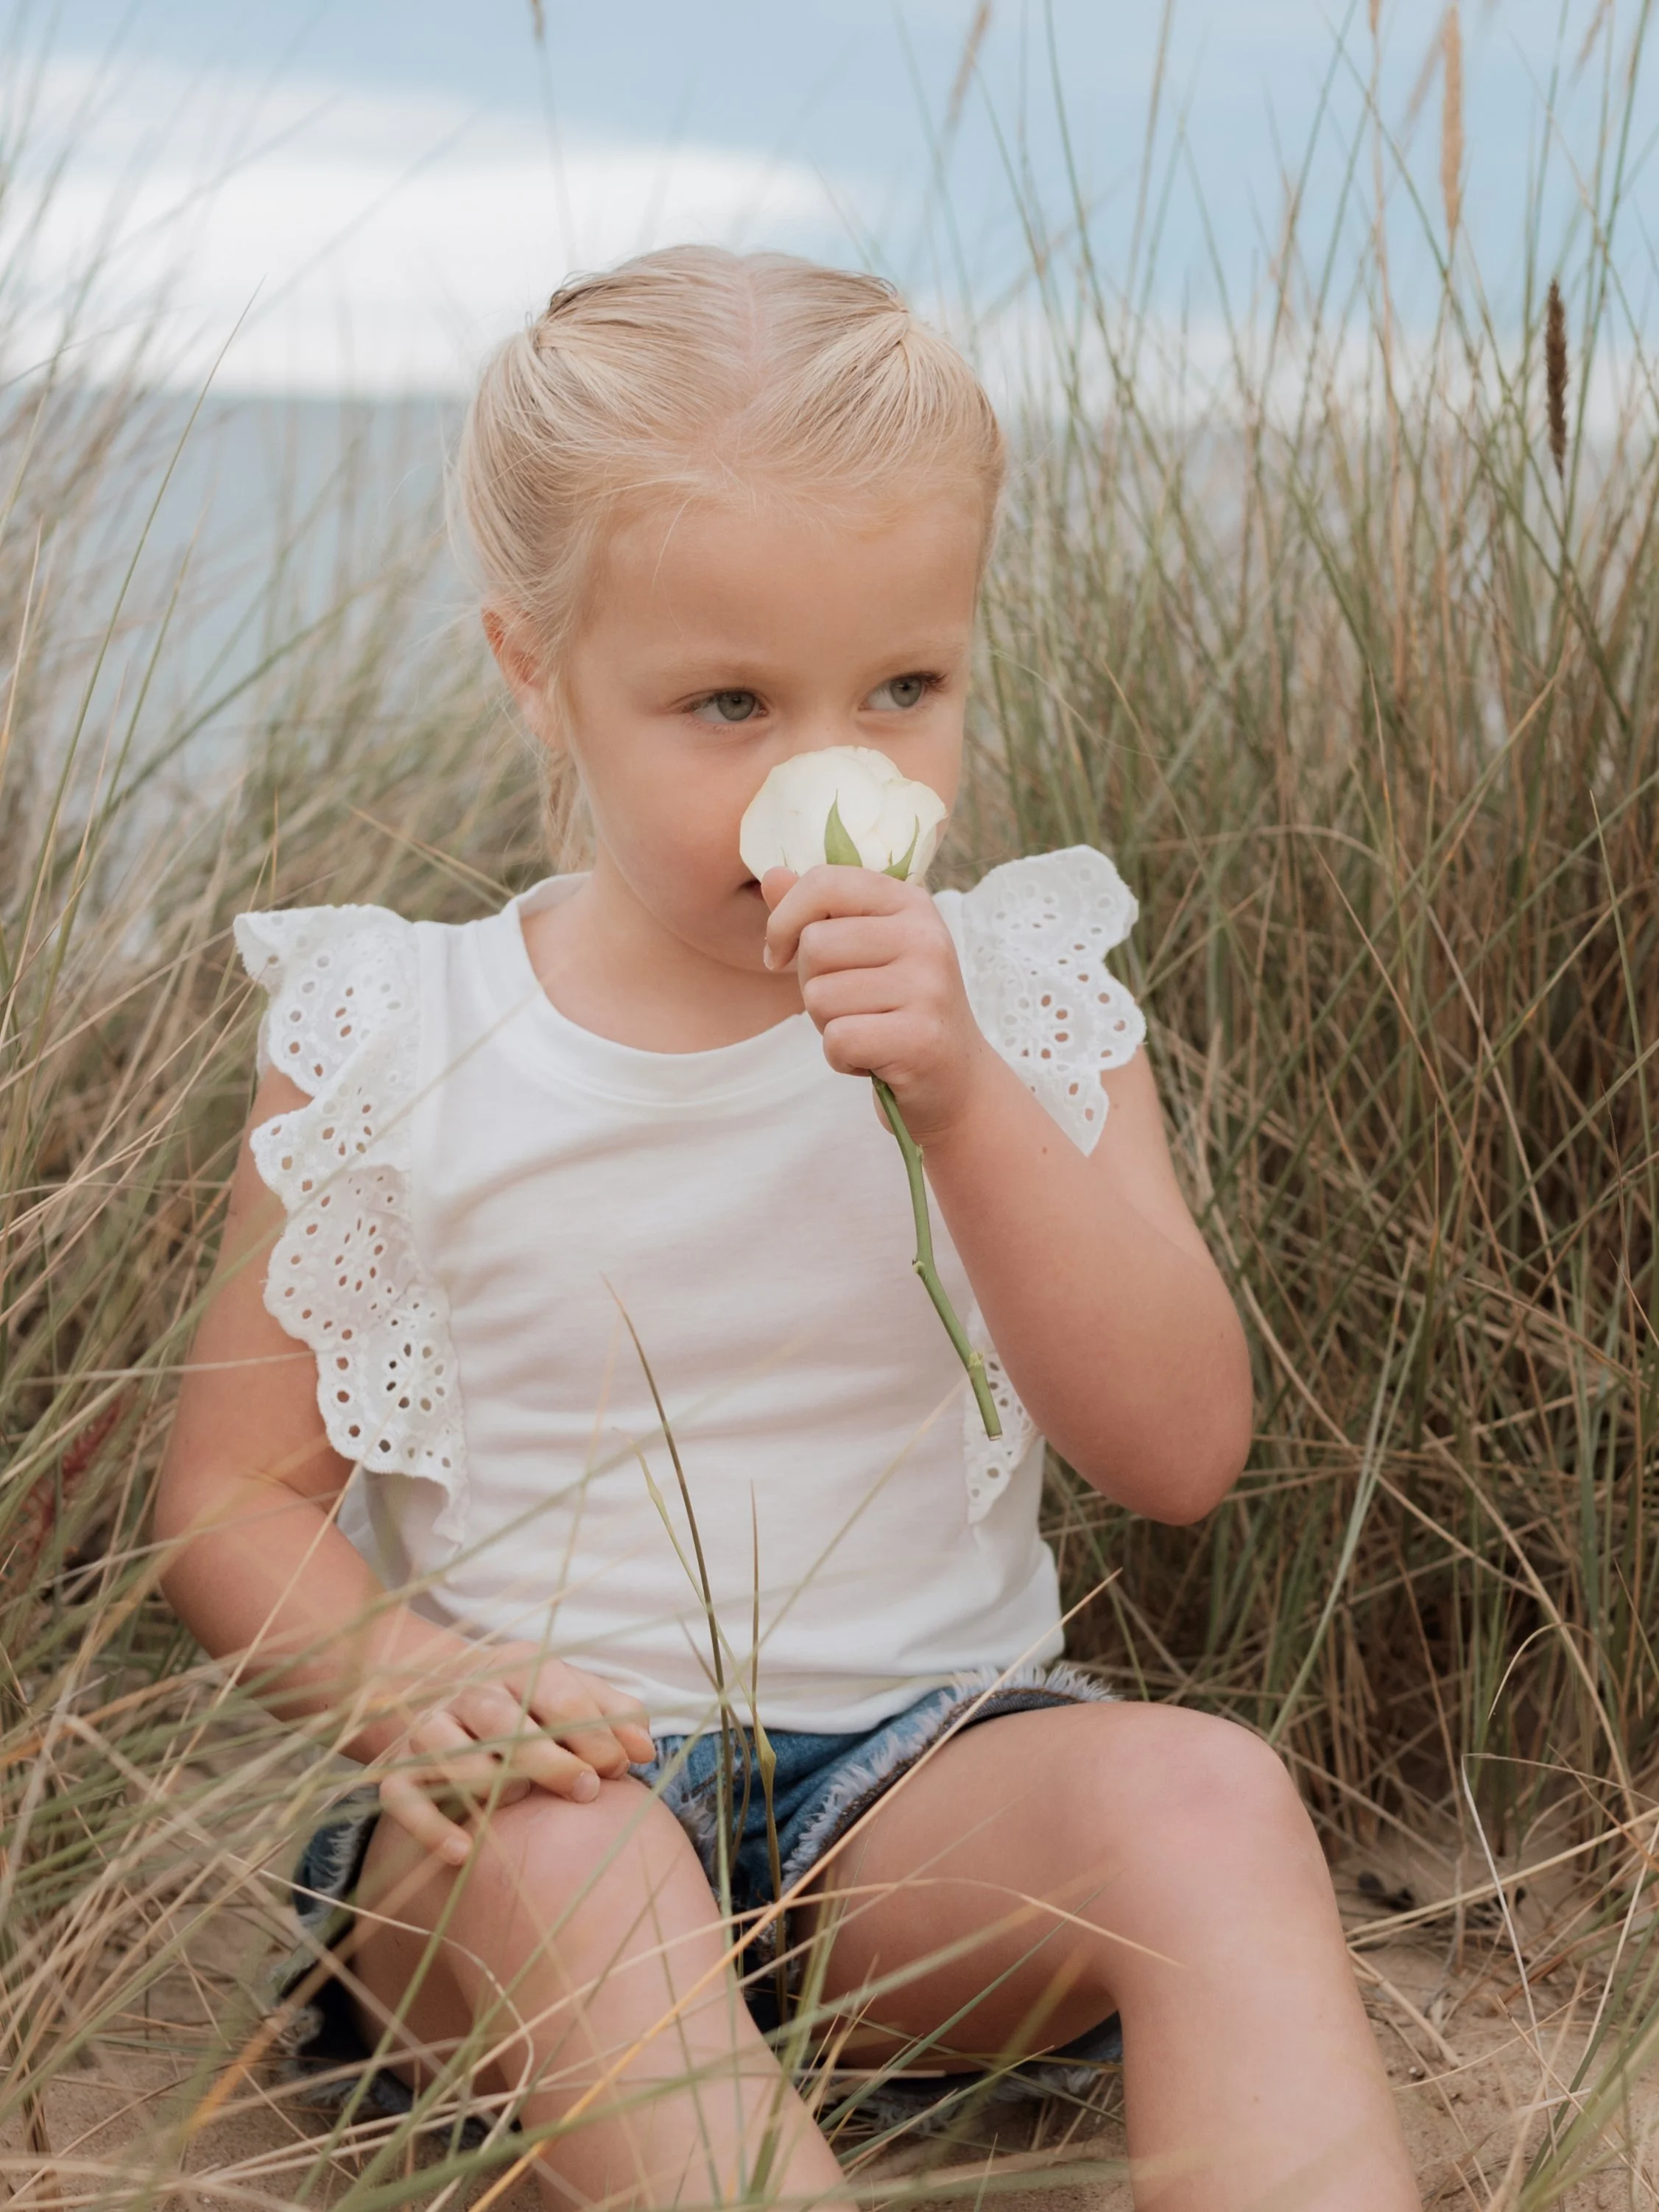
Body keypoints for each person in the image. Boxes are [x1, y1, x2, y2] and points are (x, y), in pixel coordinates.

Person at [155, 247, 1417, 2211]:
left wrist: (965, 1100)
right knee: (582, 1864)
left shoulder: (1019, 990)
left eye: (903, 688)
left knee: (1204, 1792)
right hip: (526, 1834)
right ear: (533, 671)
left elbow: (1176, 1455)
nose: (831, 771)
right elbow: (235, 1502)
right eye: (727, 702)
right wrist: (408, 1682)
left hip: (913, 1814)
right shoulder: (396, 1028)